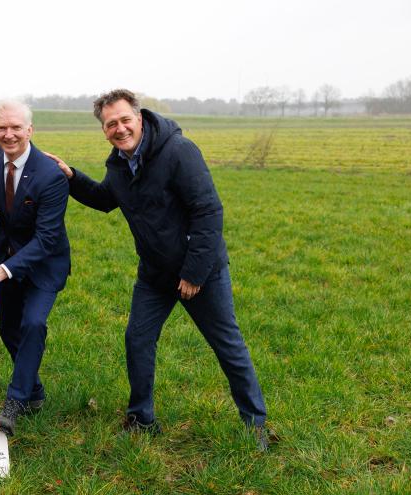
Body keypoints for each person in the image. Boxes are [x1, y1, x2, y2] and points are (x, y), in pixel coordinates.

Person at [45, 89, 270, 450]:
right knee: (137, 340)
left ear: (139, 117)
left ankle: (255, 423)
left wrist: (194, 272)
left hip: (201, 273)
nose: (119, 128)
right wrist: (71, 176)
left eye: (125, 120)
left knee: (227, 344)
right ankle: (142, 419)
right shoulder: (119, 164)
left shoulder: (179, 151)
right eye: (110, 124)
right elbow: (106, 199)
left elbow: (208, 211)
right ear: (103, 130)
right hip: (155, 275)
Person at [0, 100, 71, 436]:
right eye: (2, 128)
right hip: (8, 254)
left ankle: (15, 403)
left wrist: (3, 270)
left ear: (30, 130)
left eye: (16, 127)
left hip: (44, 263)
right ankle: (35, 391)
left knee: (33, 324)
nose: (9, 134)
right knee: (8, 329)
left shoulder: (51, 176)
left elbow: (47, 238)